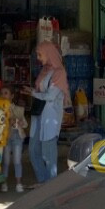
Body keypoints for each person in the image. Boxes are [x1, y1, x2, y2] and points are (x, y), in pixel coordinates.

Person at [27, 41, 70, 183]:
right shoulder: (44, 70)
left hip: (50, 116)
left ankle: (50, 183)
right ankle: (43, 181)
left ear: (48, 54)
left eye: (40, 54)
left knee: (48, 152)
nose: (38, 57)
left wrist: (33, 93)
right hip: (39, 114)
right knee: (33, 149)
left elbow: (51, 96)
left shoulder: (59, 73)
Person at [0, 85, 28, 193]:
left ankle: (18, 183)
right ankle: (4, 182)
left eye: (6, 93)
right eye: (2, 93)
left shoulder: (18, 109)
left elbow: (25, 124)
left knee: (17, 160)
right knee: (6, 161)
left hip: (17, 135)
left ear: (12, 96)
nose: (3, 95)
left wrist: (20, 122)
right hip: (6, 136)